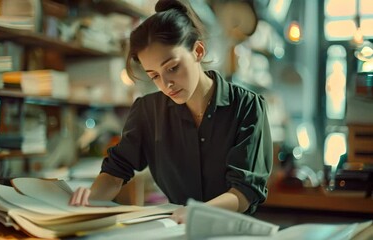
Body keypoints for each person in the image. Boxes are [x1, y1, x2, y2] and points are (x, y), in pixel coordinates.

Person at [70, 0, 273, 224]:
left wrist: (197, 212)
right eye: (154, 75)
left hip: (231, 232)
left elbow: (244, 193)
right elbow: (116, 171)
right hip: (175, 230)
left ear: (197, 50)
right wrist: (90, 197)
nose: (166, 84)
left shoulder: (247, 107)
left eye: (172, 68)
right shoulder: (148, 111)